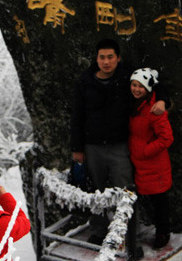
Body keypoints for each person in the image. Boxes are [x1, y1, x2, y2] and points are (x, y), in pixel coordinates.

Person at [70, 38, 168, 242]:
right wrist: (77, 147)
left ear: (118, 58)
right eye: (102, 57)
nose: (106, 62)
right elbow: (76, 115)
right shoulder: (85, 82)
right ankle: (98, 230)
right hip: (93, 145)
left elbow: (155, 83)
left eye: (110, 57)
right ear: (96, 59)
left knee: (125, 190)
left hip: (120, 144)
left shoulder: (127, 76)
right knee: (95, 190)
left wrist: (162, 100)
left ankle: (129, 233)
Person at [129, 67, 174, 249]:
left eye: (141, 86)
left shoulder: (155, 109)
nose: (136, 89)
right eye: (134, 85)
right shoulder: (135, 105)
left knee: (159, 202)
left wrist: (145, 151)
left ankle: (163, 233)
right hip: (139, 164)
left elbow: (167, 138)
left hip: (154, 166)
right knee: (147, 201)